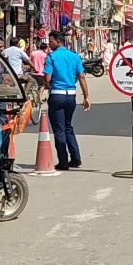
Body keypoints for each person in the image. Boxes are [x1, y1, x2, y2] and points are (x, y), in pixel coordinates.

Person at [43, 30, 91, 170]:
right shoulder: (74, 56)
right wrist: (86, 96)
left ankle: (63, 162)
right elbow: (81, 77)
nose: (49, 44)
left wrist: (45, 82)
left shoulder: (51, 57)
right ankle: (76, 158)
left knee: (59, 130)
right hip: (71, 96)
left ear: (58, 41)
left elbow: (47, 78)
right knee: (68, 127)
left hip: (56, 96)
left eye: (51, 41)